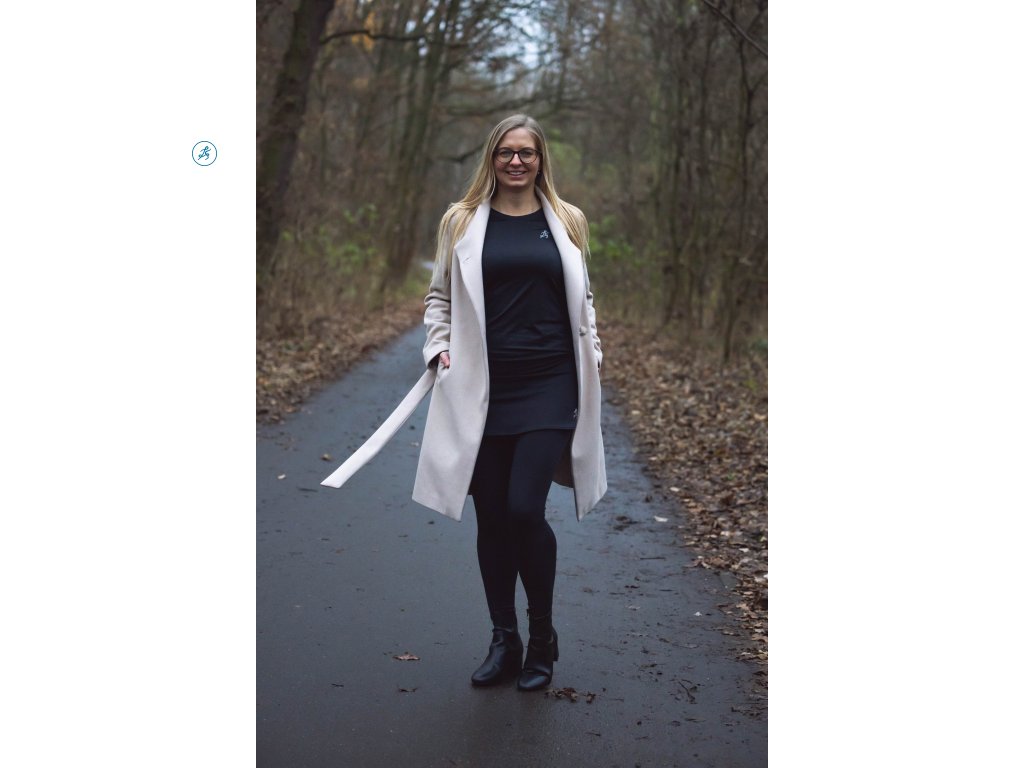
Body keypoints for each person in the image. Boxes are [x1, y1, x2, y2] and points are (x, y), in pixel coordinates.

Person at [415, 114, 607, 691]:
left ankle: (542, 636)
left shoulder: (567, 220)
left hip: (551, 384)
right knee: (493, 517)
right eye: (506, 152)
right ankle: (505, 639)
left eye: (526, 152)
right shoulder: (461, 221)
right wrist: (439, 347)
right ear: (492, 159)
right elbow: (439, 298)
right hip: (482, 389)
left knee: (525, 509)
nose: (516, 161)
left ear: (541, 159)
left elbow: (584, 300)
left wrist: (593, 354)